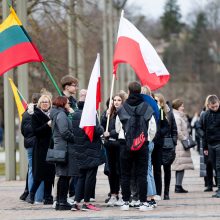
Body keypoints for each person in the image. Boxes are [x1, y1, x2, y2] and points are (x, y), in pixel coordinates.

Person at [117, 81, 157, 212]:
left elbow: (118, 128)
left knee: (125, 174)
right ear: (140, 91)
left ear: (128, 92)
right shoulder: (146, 107)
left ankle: (125, 202)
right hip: (142, 144)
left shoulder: (123, 108)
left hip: (125, 144)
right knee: (142, 173)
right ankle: (143, 202)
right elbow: (152, 128)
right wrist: (146, 139)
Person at [71, 90, 104, 211]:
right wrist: (101, 127)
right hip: (91, 149)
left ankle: (76, 202)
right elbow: (97, 131)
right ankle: (86, 202)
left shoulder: (75, 114)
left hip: (79, 149)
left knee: (81, 177)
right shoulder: (90, 114)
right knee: (90, 177)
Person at [26, 94, 55, 204]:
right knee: (39, 174)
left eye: (46, 102)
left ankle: (48, 197)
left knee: (50, 173)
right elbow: (35, 132)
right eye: (43, 102)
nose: (45, 104)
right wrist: (47, 125)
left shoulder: (53, 114)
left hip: (51, 147)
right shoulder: (36, 115)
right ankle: (32, 194)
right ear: (39, 104)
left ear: (50, 103)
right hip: (40, 148)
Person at [50, 96, 76, 210]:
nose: (69, 104)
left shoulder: (58, 114)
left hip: (61, 148)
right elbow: (64, 132)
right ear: (62, 103)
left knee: (63, 176)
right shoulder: (61, 115)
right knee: (64, 176)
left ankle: (61, 201)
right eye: (67, 103)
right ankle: (62, 202)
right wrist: (75, 138)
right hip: (64, 148)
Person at [20, 93, 44, 203]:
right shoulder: (38, 113)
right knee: (38, 170)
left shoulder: (25, 114)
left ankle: (31, 195)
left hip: (28, 144)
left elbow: (23, 131)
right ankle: (38, 197)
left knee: (31, 170)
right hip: (37, 144)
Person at [102, 94, 125, 207]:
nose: (116, 102)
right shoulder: (108, 112)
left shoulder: (124, 112)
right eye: (114, 100)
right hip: (109, 145)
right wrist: (105, 117)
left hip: (119, 144)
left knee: (120, 170)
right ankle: (113, 194)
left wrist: (111, 133)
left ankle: (121, 194)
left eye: (119, 100)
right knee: (111, 171)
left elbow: (122, 129)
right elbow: (102, 126)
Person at [154, 93, 177, 200]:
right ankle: (157, 191)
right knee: (157, 169)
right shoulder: (154, 112)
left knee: (167, 169)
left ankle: (166, 192)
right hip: (158, 144)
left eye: (157, 101)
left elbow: (174, 129)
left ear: (161, 102)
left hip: (167, 145)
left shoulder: (168, 113)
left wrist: (174, 141)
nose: (156, 102)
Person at [172, 99, 194, 193]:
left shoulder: (179, 116)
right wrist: (185, 138)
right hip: (180, 145)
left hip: (181, 144)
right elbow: (178, 131)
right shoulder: (177, 117)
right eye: (182, 106)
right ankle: (178, 186)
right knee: (180, 166)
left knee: (181, 166)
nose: (183, 107)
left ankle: (178, 185)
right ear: (177, 107)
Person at [200, 95, 220, 198]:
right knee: (214, 167)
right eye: (213, 107)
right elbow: (202, 130)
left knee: (218, 166)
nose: (215, 108)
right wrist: (205, 147)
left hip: (218, 143)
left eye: (216, 106)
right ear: (208, 105)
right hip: (210, 144)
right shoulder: (205, 115)